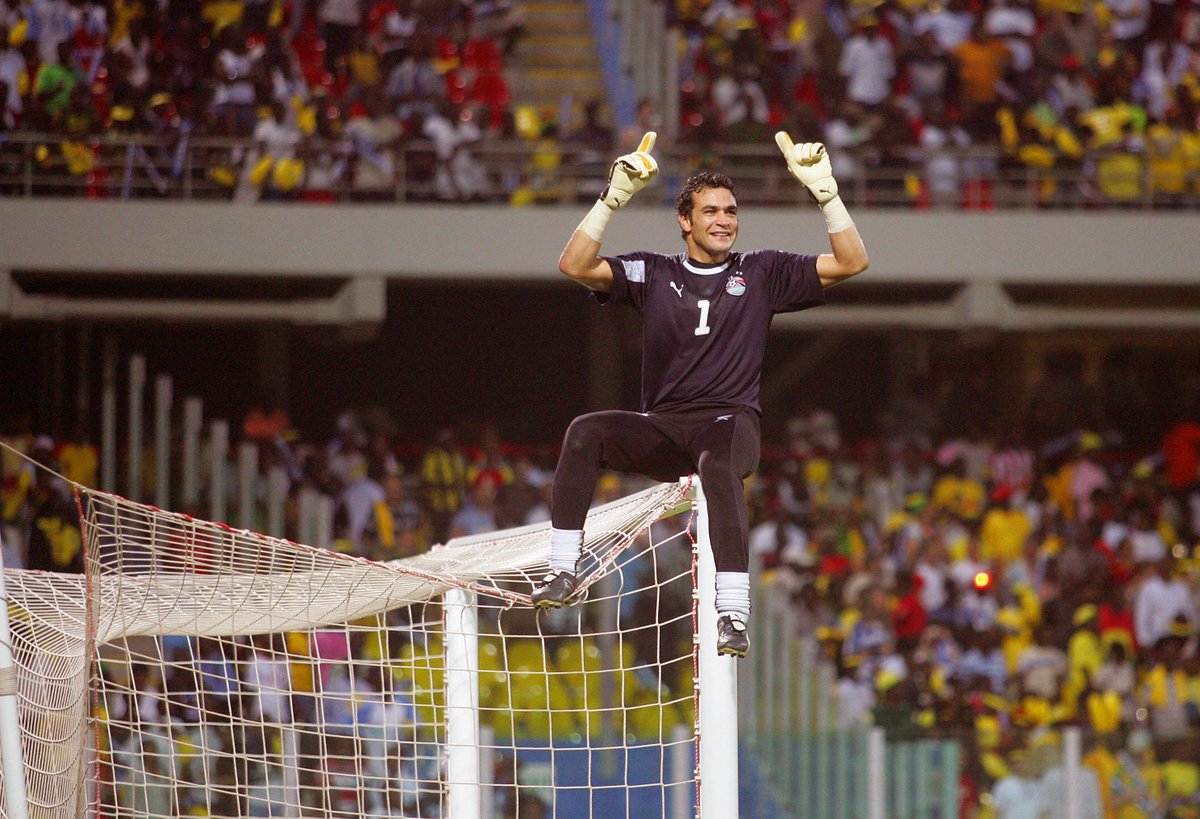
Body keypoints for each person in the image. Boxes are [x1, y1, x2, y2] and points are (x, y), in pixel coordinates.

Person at [530, 127, 869, 657]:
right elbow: (573, 266)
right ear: (685, 221)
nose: (724, 221)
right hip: (665, 428)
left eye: (731, 211)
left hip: (731, 427)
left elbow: (852, 262)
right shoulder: (653, 272)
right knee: (585, 431)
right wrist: (610, 199)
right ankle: (562, 571)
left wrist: (825, 192)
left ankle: (732, 614)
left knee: (715, 464)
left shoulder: (763, 271)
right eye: (711, 211)